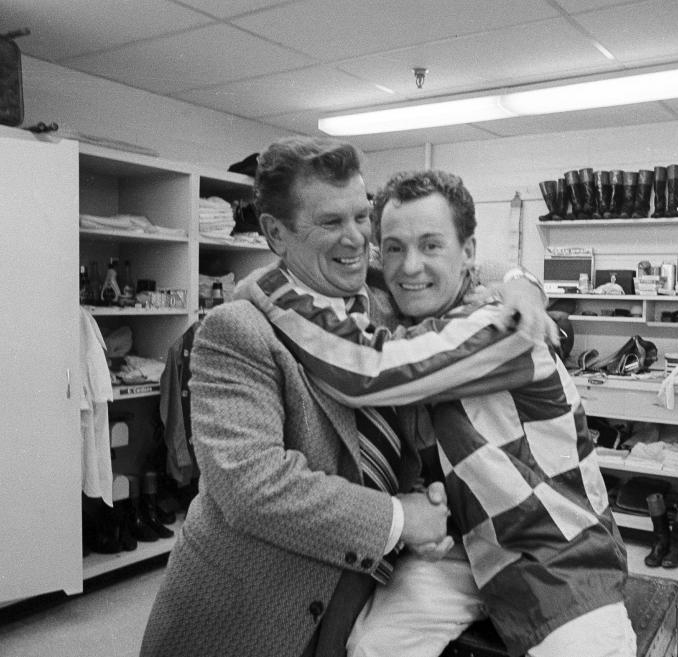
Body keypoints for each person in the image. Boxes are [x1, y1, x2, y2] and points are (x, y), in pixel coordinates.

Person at [139, 138, 552, 657]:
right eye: (331, 223)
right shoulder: (236, 330)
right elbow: (253, 488)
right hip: (249, 613)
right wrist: (401, 517)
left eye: (362, 215)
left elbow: (460, 262)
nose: (357, 238)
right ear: (274, 233)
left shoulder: (388, 297)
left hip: (357, 597)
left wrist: (523, 283)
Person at [342, 170, 636, 657]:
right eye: (394, 248)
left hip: (557, 550)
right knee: (373, 647)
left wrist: (519, 284)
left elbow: (369, 371)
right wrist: (518, 277)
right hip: (465, 546)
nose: (409, 266)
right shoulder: (419, 328)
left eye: (431, 245)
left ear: (469, 251)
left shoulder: (499, 325)